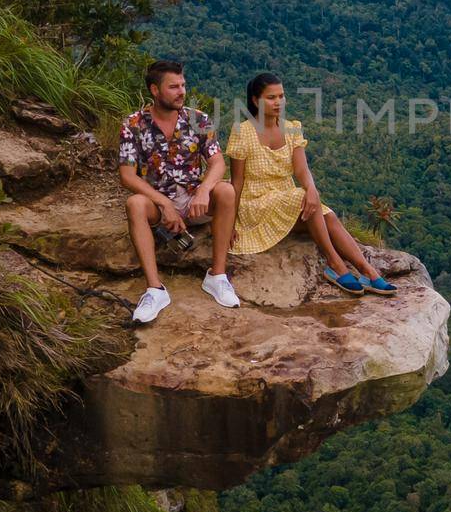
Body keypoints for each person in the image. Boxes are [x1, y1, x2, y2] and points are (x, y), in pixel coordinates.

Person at [227, 73, 396, 296]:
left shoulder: (292, 128)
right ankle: (335, 264)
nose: (278, 102)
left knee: (328, 216)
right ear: (255, 100)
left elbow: (301, 169)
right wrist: (231, 222)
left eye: (281, 96)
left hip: (285, 198)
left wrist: (312, 189)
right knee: (301, 197)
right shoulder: (242, 132)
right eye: (271, 97)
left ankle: (368, 271)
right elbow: (236, 182)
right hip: (255, 203)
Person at [118, 59, 240, 323]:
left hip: (195, 198)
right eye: (173, 87)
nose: (182, 91)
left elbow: (218, 162)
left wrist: (205, 190)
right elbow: (127, 176)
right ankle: (155, 289)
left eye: (183, 85)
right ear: (154, 90)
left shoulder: (199, 120)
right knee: (135, 205)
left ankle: (217, 276)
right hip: (158, 202)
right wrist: (164, 204)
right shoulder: (133, 124)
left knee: (227, 191)